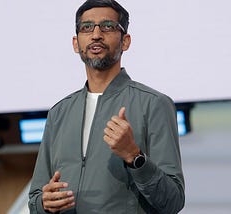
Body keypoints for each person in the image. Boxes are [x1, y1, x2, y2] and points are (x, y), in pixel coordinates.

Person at [28, 0, 185, 213]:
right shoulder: (59, 113)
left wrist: (134, 156)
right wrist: (44, 203)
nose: (96, 34)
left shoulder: (154, 104)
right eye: (86, 27)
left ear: (125, 41)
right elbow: (35, 198)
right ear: (76, 43)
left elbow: (173, 202)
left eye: (108, 26)